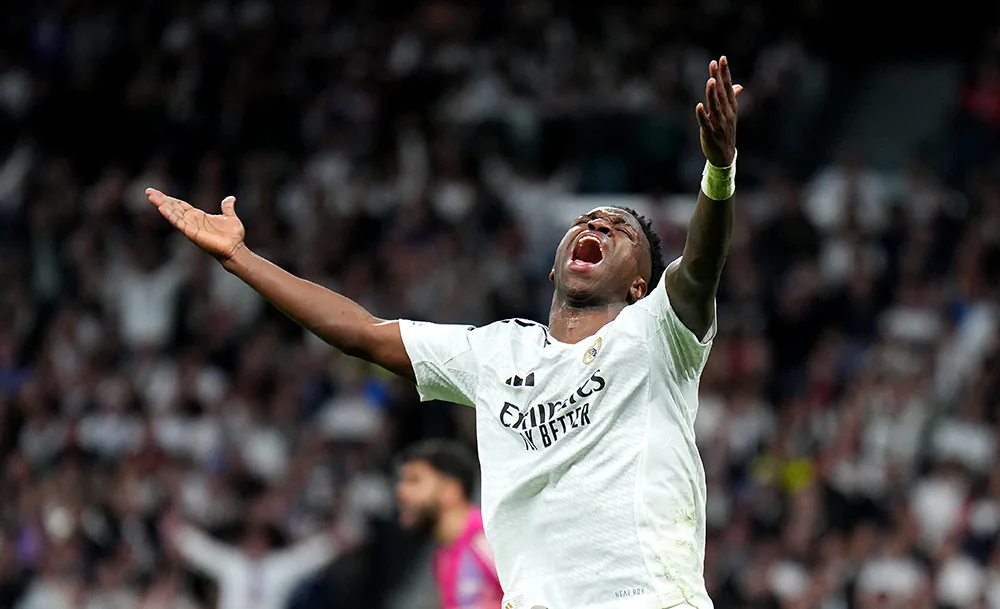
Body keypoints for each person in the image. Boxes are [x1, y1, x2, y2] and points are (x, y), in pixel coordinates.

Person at [146, 55, 742, 608]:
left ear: (640, 285)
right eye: (589, 219)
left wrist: (718, 171)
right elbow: (361, 332)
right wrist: (241, 259)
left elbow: (700, 267)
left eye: (621, 230)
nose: (599, 224)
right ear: (555, 264)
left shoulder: (656, 334)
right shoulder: (497, 353)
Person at [159, 513, 354, 609]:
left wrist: (332, 542)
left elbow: (305, 557)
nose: (254, 546)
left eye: (259, 542)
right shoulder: (233, 563)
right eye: (250, 542)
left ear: (266, 545)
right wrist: (178, 532)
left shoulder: (278, 567)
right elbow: (206, 551)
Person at [396, 439, 503, 609]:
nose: (401, 491)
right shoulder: (442, 557)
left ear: (451, 490)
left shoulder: (488, 539)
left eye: (414, 480)